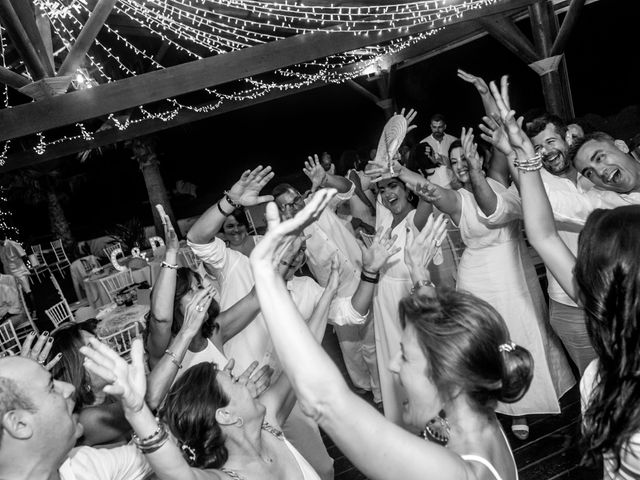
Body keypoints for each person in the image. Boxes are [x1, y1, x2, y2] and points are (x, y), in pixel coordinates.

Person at [247, 188, 534, 480]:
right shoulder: (473, 413)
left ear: (447, 375)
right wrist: (419, 273)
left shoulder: (449, 471)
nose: (394, 364)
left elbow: (326, 400)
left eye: (406, 357)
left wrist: (267, 277)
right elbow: (438, 332)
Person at [486, 77, 640, 479]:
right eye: (591, 166)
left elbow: (546, 234)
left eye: (603, 157)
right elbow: (545, 233)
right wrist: (523, 158)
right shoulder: (603, 208)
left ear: (623, 147)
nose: (602, 171)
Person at [412, 128, 574, 440]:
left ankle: (527, 397)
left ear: (482, 158)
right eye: (454, 160)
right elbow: (429, 191)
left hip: (513, 273)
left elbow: (492, 205)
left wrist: (486, 94)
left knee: (522, 333)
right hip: (476, 277)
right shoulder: (457, 198)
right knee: (486, 343)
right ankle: (513, 410)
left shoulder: (499, 181)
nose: (460, 164)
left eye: (466, 158)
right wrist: (401, 171)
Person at [80, 334, 322, 480]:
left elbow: (300, 358)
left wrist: (330, 293)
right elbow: (177, 475)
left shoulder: (270, 425)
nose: (245, 382)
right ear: (226, 415)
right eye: (235, 381)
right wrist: (136, 410)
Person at [0, 355, 151, 480]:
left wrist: (138, 412)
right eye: (52, 387)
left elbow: (162, 459)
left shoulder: (80, 465)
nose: (69, 388)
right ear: (19, 424)